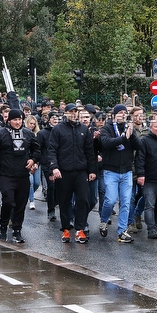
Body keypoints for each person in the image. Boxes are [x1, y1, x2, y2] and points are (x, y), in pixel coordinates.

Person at [0, 108, 39, 244]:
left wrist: (33, 160)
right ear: (9, 120)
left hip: (22, 175)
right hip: (5, 175)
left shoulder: (28, 134)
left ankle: (17, 230)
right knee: (9, 201)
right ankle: (3, 226)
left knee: (21, 204)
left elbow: (37, 150)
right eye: (15, 119)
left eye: (20, 119)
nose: (17, 122)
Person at [48, 103, 96, 244]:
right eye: (71, 112)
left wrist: (92, 170)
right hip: (63, 172)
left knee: (84, 200)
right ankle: (66, 229)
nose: (74, 114)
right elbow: (52, 150)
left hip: (81, 171)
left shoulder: (84, 129)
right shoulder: (58, 129)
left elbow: (89, 151)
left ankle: (80, 229)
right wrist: (54, 167)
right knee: (64, 201)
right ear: (66, 113)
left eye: (76, 111)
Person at [98, 104, 140, 243]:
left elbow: (138, 146)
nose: (123, 114)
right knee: (109, 200)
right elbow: (106, 143)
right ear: (114, 115)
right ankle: (104, 220)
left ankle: (122, 231)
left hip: (127, 170)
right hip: (111, 170)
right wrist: (123, 138)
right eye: (120, 112)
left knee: (126, 202)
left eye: (125, 112)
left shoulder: (129, 128)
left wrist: (131, 135)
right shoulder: (107, 128)